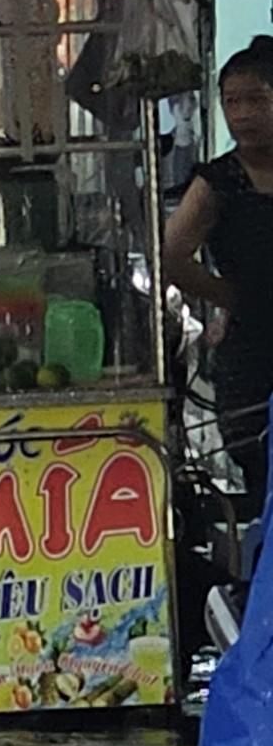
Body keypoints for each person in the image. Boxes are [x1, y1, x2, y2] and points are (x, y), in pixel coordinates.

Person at [166, 37, 273, 504]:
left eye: (257, 100)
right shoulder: (219, 180)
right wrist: (232, 298)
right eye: (232, 102)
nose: (243, 114)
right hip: (251, 361)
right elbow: (171, 256)